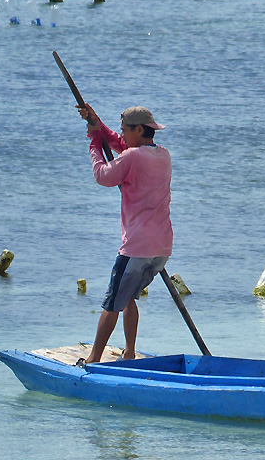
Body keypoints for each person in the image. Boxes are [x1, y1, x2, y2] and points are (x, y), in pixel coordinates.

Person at [76, 103, 172, 364]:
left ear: (139, 130)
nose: (122, 136)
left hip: (136, 247)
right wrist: (97, 123)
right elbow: (122, 144)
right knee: (128, 297)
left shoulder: (131, 158)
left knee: (111, 304)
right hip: (161, 248)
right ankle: (129, 352)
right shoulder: (162, 155)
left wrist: (95, 142)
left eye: (125, 131)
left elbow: (102, 175)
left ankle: (94, 359)